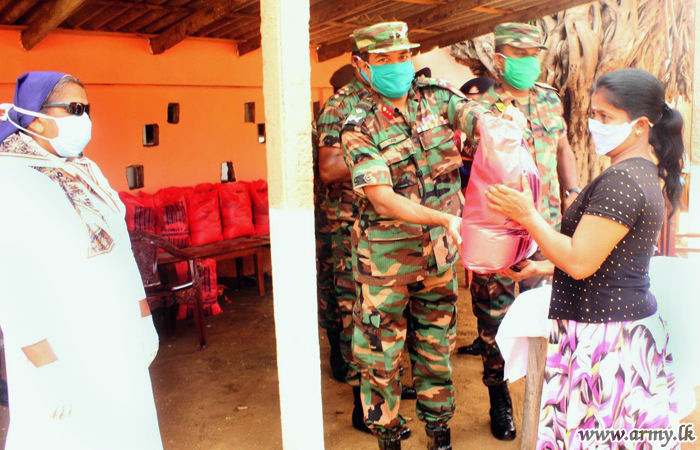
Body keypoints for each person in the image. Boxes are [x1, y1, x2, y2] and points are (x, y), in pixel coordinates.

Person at [341, 21, 525, 450]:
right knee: (381, 361)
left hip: (438, 261)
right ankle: (388, 438)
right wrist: (444, 220)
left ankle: (439, 436)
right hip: (385, 267)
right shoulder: (358, 125)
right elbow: (382, 199)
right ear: (362, 66)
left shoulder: (436, 99)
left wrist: (499, 124)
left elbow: (476, 117)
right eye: (384, 60)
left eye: (403, 56)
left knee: (435, 352)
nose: (397, 66)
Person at [487, 68, 683, 449]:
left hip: (608, 344)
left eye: (605, 117)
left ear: (641, 125)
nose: (595, 125)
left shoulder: (622, 182)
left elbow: (579, 262)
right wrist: (545, 265)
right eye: (593, 115)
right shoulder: (638, 173)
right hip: (619, 329)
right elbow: (615, 257)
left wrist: (528, 215)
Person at [0, 72, 162, 450]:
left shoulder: (84, 167)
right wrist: (46, 367)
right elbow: (10, 283)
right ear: (35, 117)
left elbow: (121, 248)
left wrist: (143, 319)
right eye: (75, 109)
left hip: (117, 340)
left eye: (87, 109)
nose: (85, 118)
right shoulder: (8, 177)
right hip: (62, 350)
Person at [454, 23, 580, 441]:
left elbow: (562, 149)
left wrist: (573, 194)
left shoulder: (548, 98)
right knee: (495, 321)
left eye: (534, 53)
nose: (529, 61)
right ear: (501, 59)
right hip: (501, 234)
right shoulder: (479, 108)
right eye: (520, 54)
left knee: (549, 313)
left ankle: (547, 397)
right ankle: (500, 401)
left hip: (544, 229)